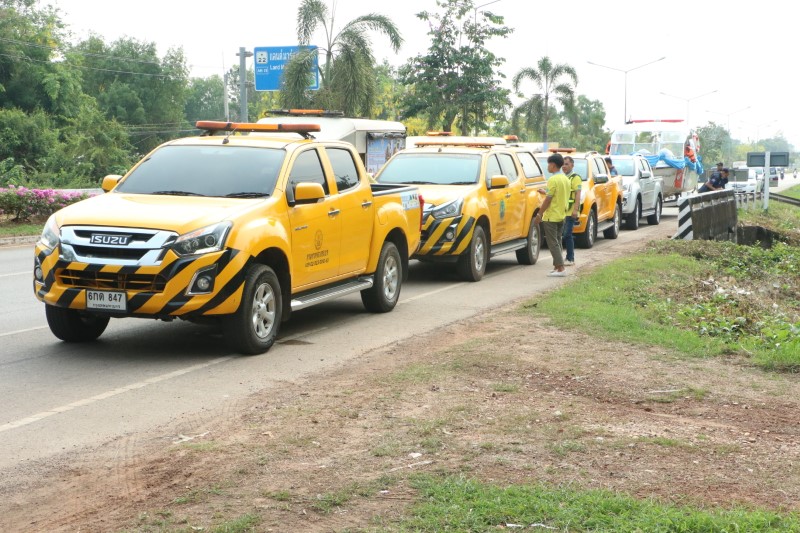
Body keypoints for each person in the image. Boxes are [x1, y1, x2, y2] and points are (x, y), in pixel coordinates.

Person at [534, 153, 570, 277]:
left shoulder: (552, 180)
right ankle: (557, 267)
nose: (547, 167)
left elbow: (548, 199)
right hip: (561, 214)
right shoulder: (565, 178)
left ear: (553, 165)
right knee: (558, 241)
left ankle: (561, 269)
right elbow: (556, 194)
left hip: (551, 216)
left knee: (552, 243)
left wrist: (539, 214)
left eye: (548, 164)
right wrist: (545, 192)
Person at [561, 155, 582, 267]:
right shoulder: (563, 177)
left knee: (567, 235)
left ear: (572, 165)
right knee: (563, 235)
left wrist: (575, 210)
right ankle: (565, 258)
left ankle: (570, 258)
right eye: (563, 164)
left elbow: (578, 194)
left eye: (566, 164)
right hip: (563, 212)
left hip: (571, 212)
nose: (564, 166)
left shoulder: (575, 178)